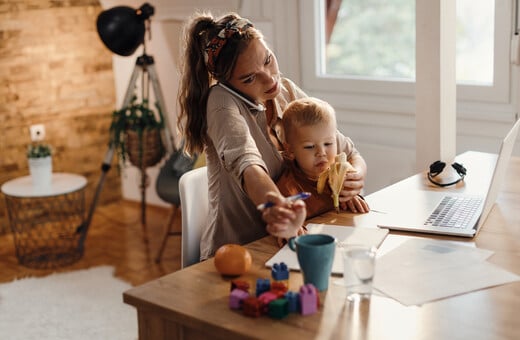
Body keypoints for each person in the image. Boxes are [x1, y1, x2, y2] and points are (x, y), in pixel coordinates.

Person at [177, 12, 367, 260]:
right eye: (249, 78)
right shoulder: (221, 102)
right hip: (239, 252)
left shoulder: (284, 90)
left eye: (268, 60)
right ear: (227, 82)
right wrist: (280, 209)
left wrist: (355, 176)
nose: (269, 79)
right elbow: (249, 167)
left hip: (290, 241)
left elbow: (348, 151)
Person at [277, 97, 370, 218]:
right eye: (310, 146)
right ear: (290, 150)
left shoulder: (340, 178)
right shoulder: (288, 189)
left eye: (328, 144)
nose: (321, 153)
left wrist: (350, 196)